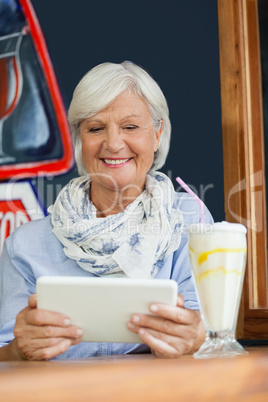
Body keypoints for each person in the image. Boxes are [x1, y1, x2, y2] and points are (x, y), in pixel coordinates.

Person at [0, 61, 212, 361]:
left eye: (130, 127)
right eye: (96, 128)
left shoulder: (192, 221)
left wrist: (197, 338)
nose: (113, 143)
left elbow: (212, 338)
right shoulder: (24, 246)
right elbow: (5, 353)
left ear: (156, 134)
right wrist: (18, 350)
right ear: (80, 140)